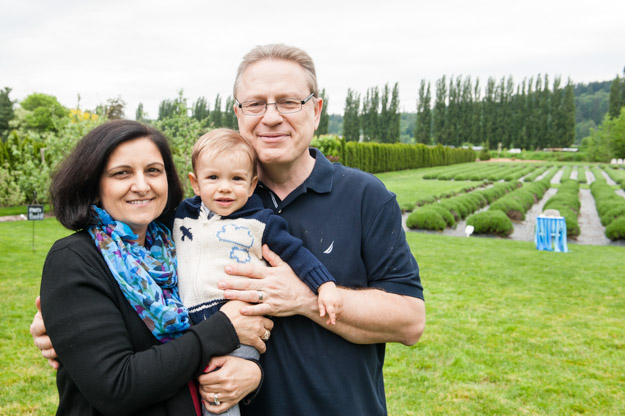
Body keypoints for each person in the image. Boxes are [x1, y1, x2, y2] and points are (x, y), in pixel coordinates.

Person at [32, 44, 426, 415]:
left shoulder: (365, 197)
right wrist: (60, 321)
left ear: (317, 109)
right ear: (238, 112)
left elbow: (409, 321)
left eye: (289, 101)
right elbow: (121, 266)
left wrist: (304, 299)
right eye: (255, 103)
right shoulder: (191, 211)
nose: (271, 116)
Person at [38, 119, 273, 415]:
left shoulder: (176, 245)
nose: (142, 185)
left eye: (153, 171)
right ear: (94, 185)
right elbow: (116, 387)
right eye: (122, 173)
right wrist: (222, 330)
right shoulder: (75, 259)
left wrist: (251, 373)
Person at [175, 128, 342, 416]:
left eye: (237, 179)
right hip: (189, 327)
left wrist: (325, 285)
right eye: (213, 178)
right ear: (195, 183)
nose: (225, 188)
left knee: (220, 397)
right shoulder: (182, 216)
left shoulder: (259, 222)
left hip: (239, 329)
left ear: (252, 186)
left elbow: (296, 254)